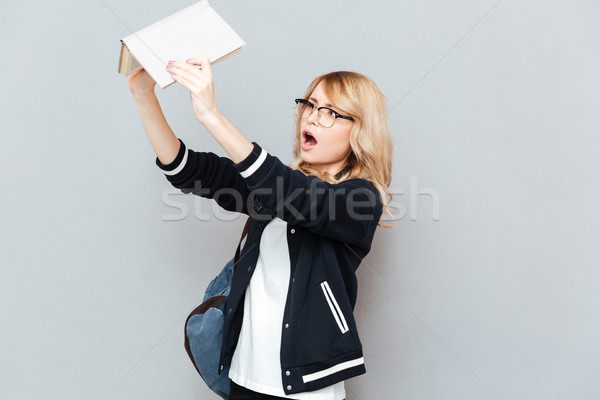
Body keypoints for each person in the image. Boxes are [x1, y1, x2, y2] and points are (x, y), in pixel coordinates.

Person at [128, 57, 395, 400]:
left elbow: (293, 194)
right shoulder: (274, 190)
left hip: (304, 389)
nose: (312, 116)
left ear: (360, 130)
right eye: (310, 104)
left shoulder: (360, 200)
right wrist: (143, 94)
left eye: (331, 111)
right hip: (244, 378)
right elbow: (194, 171)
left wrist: (211, 115)